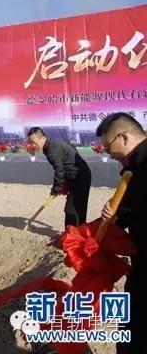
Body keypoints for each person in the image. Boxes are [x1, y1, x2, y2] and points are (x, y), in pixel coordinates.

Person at [95, 113, 146, 354]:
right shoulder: (133, 168)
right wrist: (117, 214)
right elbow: (126, 211)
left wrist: (125, 212)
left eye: (108, 147)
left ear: (123, 137)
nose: (108, 153)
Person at [27, 127, 92, 228]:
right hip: (76, 176)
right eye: (30, 142)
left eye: (33, 141)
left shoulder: (52, 148)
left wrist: (55, 190)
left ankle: (73, 234)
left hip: (79, 177)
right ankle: (74, 233)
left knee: (73, 209)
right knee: (76, 207)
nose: (32, 145)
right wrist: (64, 184)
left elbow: (59, 170)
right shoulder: (50, 146)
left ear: (42, 137)